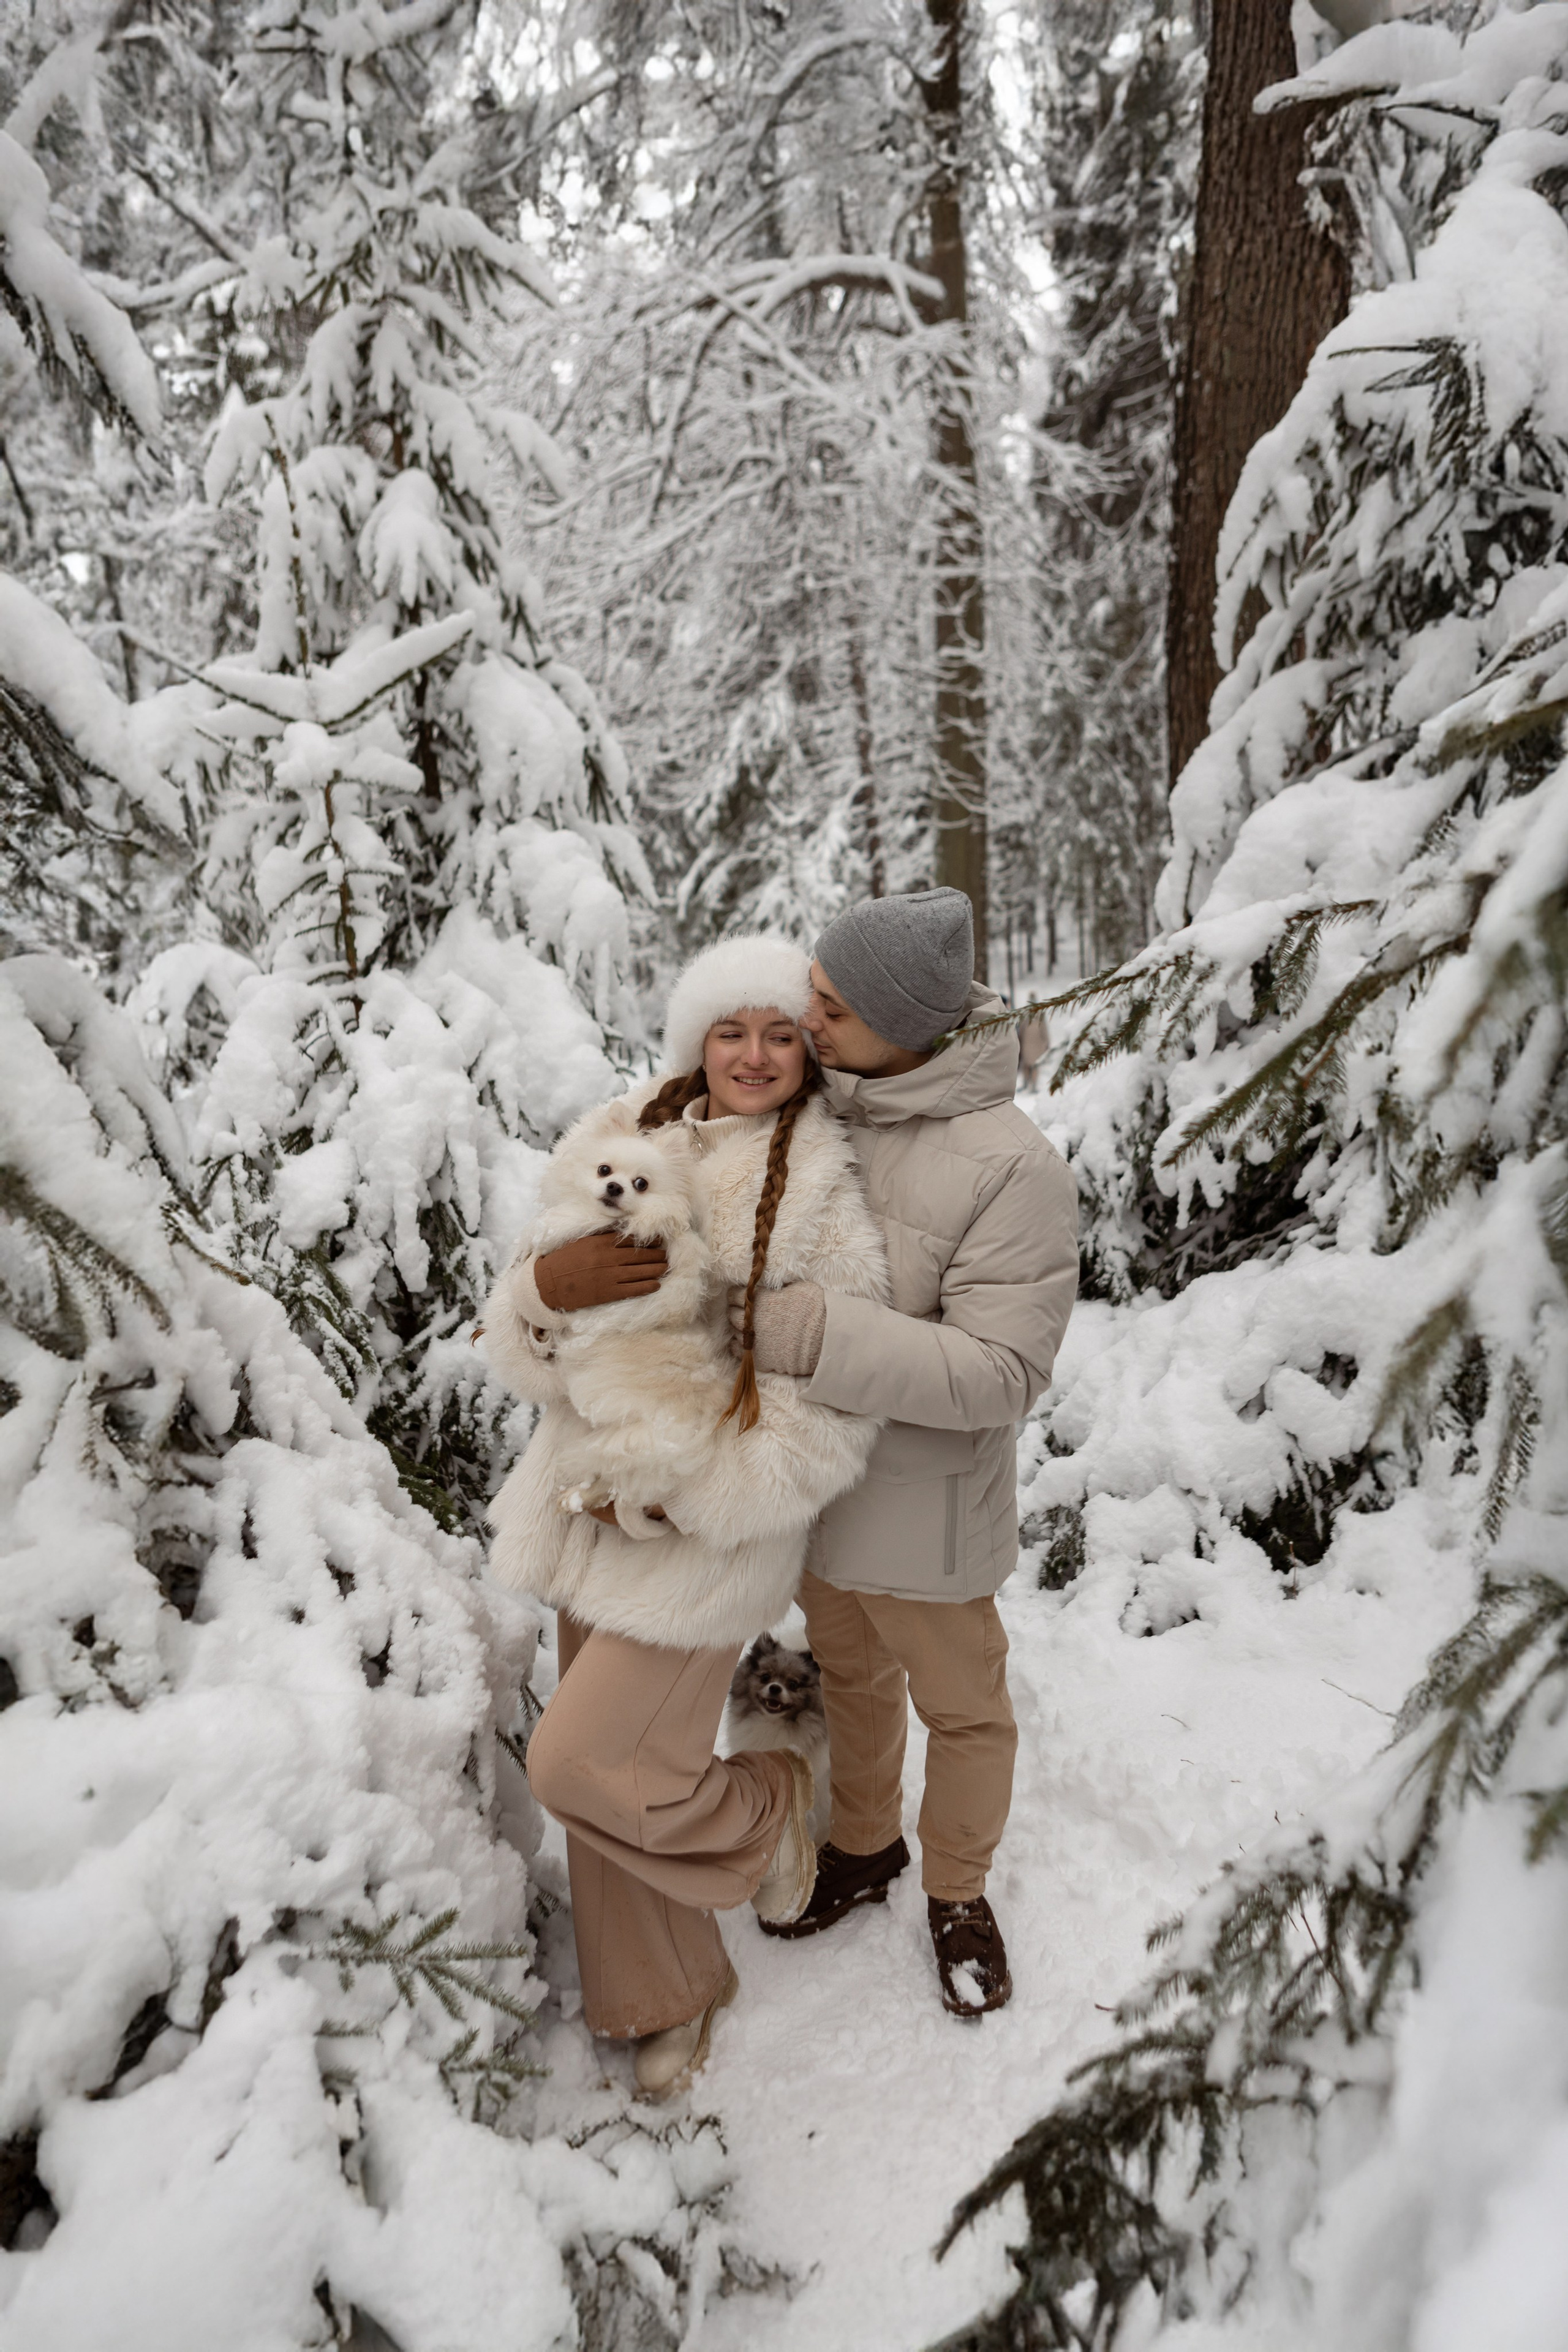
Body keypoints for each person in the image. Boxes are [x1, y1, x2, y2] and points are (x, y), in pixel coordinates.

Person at [481, 938, 888, 2096]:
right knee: (632, 1766)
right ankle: (665, 1991)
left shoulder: (817, 1189)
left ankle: (772, 1807)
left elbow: (835, 1397)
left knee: (581, 1763)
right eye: (730, 1031)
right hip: (589, 1490)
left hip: (704, 1525)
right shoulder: (627, 1132)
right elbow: (518, 1314)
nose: (753, 1055)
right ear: (693, 1043)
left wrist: (710, 1497)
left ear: (806, 1055)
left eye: (778, 1035)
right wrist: (539, 1298)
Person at [728, 888, 1078, 2016]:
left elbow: (1000, 1374)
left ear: (901, 1020)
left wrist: (818, 1337)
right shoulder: (823, 1107)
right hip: (823, 1497)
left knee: (965, 1710)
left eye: (829, 1005)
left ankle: (959, 1892)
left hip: (928, 1516)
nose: (806, 1018)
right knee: (854, 1685)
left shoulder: (1011, 1169)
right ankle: (866, 1847)